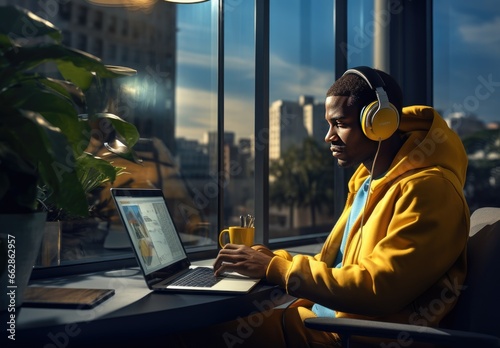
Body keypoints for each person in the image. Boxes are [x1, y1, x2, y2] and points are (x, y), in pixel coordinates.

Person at [177, 66, 470, 347]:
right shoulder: (367, 184)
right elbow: (336, 265)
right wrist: (271, 259)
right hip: (319, 324)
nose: (328, 137)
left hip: (352, 338)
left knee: (191, 333)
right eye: (328, 124)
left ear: (380, 124)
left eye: (340, 124)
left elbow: (377, 289)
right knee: (195, 329)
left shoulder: (430, 190)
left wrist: (275, 269)